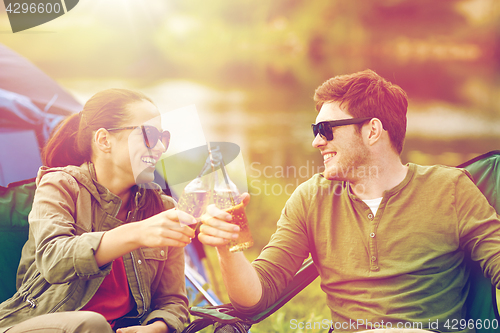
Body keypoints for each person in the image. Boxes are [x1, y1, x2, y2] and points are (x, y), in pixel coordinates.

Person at [198, 69, 500, 333]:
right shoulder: (311, 199)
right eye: (316, 131)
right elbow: (255, 299)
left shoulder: (451, 189)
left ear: (372, 131)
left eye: (325, 130)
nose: (317, 141)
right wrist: (227, 248)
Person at [0, 89, 195, 333]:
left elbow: (173, 301)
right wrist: (136, 233)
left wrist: (157, 327)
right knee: (91, 324)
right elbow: (53, 260)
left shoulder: (163, 208)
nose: (159, 147)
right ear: (104, 140)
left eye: (162, 137)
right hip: (34, 325)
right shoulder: (60, 186)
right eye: (148, 135)